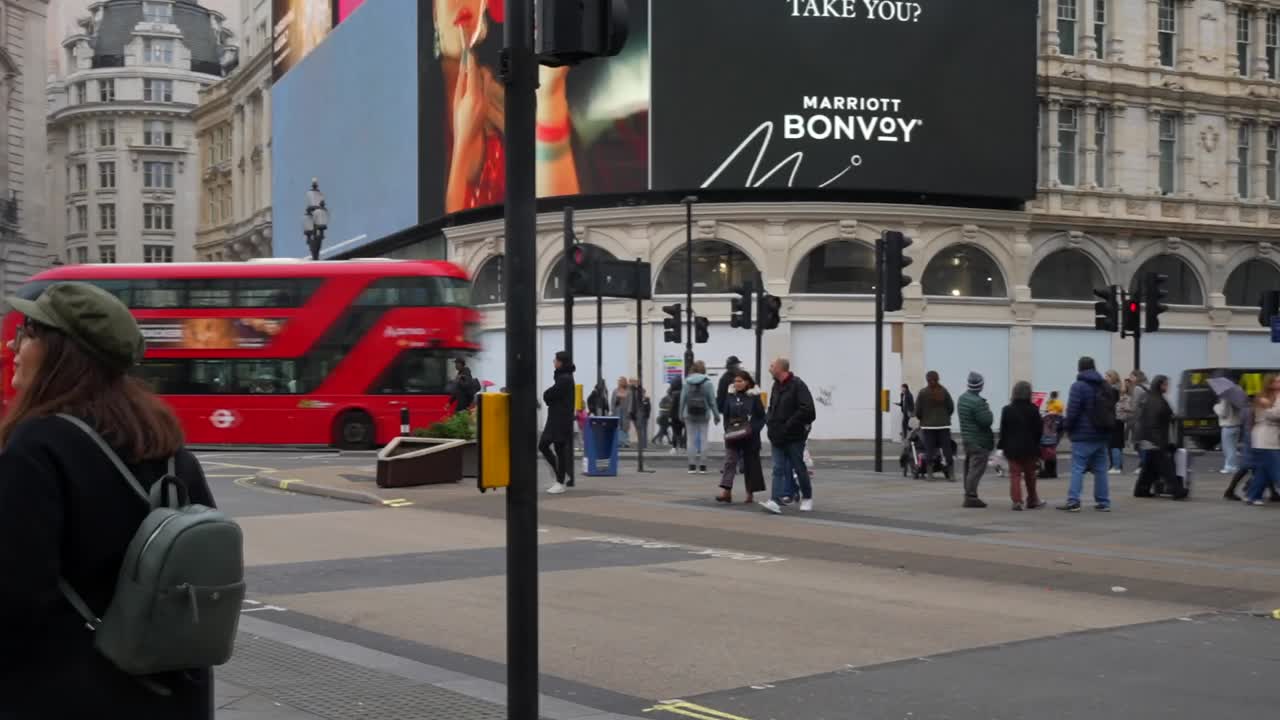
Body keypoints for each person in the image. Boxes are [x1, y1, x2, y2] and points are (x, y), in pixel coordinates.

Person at [0, 282, 217, 716]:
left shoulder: (38, 446)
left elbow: (15, 598)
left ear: (60, 350)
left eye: (28, 331)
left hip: (69, 694)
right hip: (171, 692)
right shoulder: (167, 445)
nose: (13, 343)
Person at [760, 358, 817, 514]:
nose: (769, 368)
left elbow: (808, 410)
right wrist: (770, 423)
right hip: (777, 435)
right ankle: (775, 500)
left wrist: (789, 424)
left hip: (794, 436)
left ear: (780, 368)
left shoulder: (798, 385)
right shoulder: (776, 386)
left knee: (798, 466)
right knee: (778, 468)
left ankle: (807, 497)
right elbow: (772, 407)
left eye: (772, 366)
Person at [1059, 356, 1113, 512]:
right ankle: (1104, 502)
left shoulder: (1078, 386)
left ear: (1079, 368)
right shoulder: (1104, 385)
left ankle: (1073, 501)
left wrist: (1066, 427)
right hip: (1102, 433)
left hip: (1083, 434)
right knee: (1101, 469)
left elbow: (1073, 411)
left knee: (1078, 468)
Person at [717, 370, 766, 504]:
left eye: (740, 381)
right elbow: (726, 416)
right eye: (736, 381)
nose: (737, 384)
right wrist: (727, 430)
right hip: (733, 435)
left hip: (750, 436)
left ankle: (749, 494)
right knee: (729, 462)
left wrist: (753, 429)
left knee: (750, 465)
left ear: (747, 382)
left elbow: (762, 417)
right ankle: (726, 492)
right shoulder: (730, 396)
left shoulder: (754, 397)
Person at [1134, 374, 1186, 499]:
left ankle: (1141, 489)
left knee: (1151, 466)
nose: (1167, 387)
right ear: (1160, 385)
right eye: (1165, 384)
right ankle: (1177, 490)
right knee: (1166, 465)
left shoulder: (1151, 398)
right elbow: (1158, 419)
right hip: (1155, 438)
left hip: (1148, 437)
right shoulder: (1158, 400)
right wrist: (1159, 441)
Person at [998, 381, 1046, 510]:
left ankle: (1017, 501)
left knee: (1015, 475)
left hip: (1012, 448)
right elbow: (1039, 430)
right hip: (1030, 448)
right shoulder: (1034, 409)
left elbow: (1003, 430)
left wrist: (1001, 446)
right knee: (1030, 475)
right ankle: (1032, 499)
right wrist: (1037, 444)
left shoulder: (1007, 410)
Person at [957, 371, 994, 508]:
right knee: (976, 469)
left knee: (969, 468)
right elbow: (987, 421)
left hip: (967, 438)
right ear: (980, 385)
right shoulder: (978, 402)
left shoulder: (962, 398)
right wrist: (988, 409)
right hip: (979, 440)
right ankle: (971, 496)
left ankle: (968, 494)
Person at [543, 351, 576, 494]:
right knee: (548, 446)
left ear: (561, 362)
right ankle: (560, 476)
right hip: (556, 418)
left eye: (555, 360)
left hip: (560, 419)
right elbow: (551, 396)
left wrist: (547, 395)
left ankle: (560, 481)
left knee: (554, 447)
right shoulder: (562, 377)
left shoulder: (565, 379)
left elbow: (549, 394)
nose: (553, 362)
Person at [1244, 374, 1280, 506]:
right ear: (1270, 384)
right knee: (1276, 468)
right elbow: (1275, 415)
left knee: (1263, 471)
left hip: (1269, 437)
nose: (1279, 383)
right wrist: (1269, 407)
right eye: (1277, 381)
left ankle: (1252, 496)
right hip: (1265, 438)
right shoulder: (1263, 398)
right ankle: (1252, 495)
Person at [914, 371, 956, 481]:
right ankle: (951, 474)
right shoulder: (944, 391)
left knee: (929, 450)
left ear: (927, 379)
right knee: (947, 450)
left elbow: (917, 410)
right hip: (944, 426)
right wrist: (945, 417)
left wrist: (923, 418)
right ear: (938, 379)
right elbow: (951, 407)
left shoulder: (923, 393)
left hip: (928, 427)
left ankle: (930, 474)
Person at [680, 361, 720, 473]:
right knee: (703, 439)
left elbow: (682, 400)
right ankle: (703, 466)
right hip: (704, 414)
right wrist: (716, 415)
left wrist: (680, 413)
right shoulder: (707, 383)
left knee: (690, 440)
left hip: (689, 413)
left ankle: (691, 466)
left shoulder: (686, 382)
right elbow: (712, 401)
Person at [1128, 370, 1150, 476]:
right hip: (1148, 419)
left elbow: (1134, 406)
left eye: (1131, 377)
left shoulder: (1137, 388)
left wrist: (1127, 409)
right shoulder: (1149, 386)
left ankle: (1143, 466)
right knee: (1145, 443)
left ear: (1136, 377)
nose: (1130, 379)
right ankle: (1144, 465)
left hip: (1139, 419)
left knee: (1139, 444)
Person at [1215, 392, 1243, 475]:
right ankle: (1234, 466)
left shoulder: (1225, 398)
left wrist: (1215, 407)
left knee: (1228, 448)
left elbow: (1223, 413)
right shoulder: (1237, 397)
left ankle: (1230, 466)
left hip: (1228, 426)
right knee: (1233, 447)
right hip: (1237, 425)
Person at [1105, 370, 1126, 473]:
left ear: (1112, 378)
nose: (1105, 378)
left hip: (1113, 419)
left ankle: (1116, 466)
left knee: (1114, 444)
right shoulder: (1119, 389)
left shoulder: (1112, 390)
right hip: (1119, 419)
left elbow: (1109, 405)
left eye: (1107, 376)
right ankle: (1118, 466)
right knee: (1117, 444)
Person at [627, 378, 650, 450]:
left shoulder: (639, 392)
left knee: (641, 430)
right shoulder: (631, 391)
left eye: (632, 382)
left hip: (640, 414)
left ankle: (643, 445)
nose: (631, 383)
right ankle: (642, 444)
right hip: (634, 413)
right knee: (639, 430)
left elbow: (646, 406)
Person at [611, 376, 631, 448]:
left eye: (622, 381)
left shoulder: (628, 391)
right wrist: (612, 410)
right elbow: (612, 401)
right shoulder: (615, 391)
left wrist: (629, 411)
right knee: (618, 426)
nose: (620, 382)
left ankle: (626, 442)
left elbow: (630, 402)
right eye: (619, 381)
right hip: (617, 410)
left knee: (625, 427)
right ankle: (619, 442)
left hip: (625, 411)